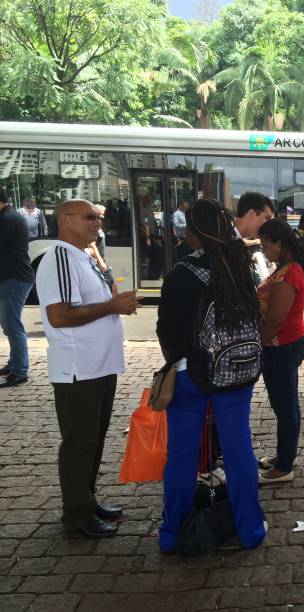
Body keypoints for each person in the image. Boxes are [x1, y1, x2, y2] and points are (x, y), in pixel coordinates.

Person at [156, 198, 266, 553]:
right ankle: (251, 530)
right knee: (238, 451)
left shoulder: (181, 275)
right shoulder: (241, 267)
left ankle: (171, 533)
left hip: (190, 376)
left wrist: (174, 362)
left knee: (182, 457)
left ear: (192, 233)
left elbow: (167, 330)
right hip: (237, 373)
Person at [36, 199, 141, 538]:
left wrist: (112, 292)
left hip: (98, 366)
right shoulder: (60, 259)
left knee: (93, 440)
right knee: (80, 441)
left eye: (98, 218)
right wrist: (112, 305)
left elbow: (103, 295)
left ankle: (86, 498)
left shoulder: (85, 256)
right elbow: (60, 315)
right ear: (65, 220)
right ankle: (77, 516)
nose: (97, 223)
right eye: (89, 217)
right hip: (78, 368)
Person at [255, 219, 304, 484]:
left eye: (267, 246)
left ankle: (284, 466)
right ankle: (284, 455)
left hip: (282, 346)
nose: (265, 251)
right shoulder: (287, 268)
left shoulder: (289, 274)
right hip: (286, 343)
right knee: (284, 405)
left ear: (280, 243)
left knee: (286, 406)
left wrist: (259, 344)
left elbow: (275, 320)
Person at [0, 187, 35, 387]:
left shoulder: (7, 219)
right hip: (13, 277)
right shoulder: (9, 216)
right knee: (9, 324)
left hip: (14, 279)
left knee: (12, 326)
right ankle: (14, 365)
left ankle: (19, 371)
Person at [234, 192, 274, 286]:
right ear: (252, 214)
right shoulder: (224, 239)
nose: (269, 225)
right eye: (267, 218)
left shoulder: (233, 237)